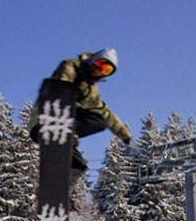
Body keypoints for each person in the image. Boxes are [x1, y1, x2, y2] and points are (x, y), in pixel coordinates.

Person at [28, 49, 132, 182]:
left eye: (106, 69)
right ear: (92, 60)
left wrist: (126, 137)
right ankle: (62, 131)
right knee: (66, 95)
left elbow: (107, 114)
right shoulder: (72, 66)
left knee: (78, 165)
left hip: (62, 128)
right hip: (45, 120)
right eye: (99, 63)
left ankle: (60, 193)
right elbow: (63, 81)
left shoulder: (91, 91)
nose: (99, 70)